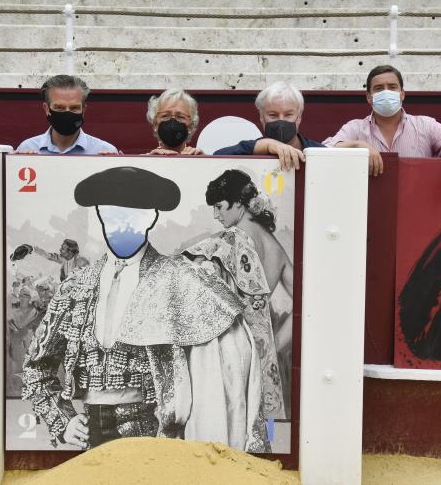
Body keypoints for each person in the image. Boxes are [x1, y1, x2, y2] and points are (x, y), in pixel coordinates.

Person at [22, 166, 269, 452]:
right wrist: (63, 421)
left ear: (150, 217)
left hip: (156, 434)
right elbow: (36, 368)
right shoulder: (76, 286)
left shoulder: (181, 278)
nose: (122, 226)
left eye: (132, 217)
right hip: (91, 433)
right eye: (114, 217)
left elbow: (225, 362)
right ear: (100, 215)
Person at [183, 170, 294, 420]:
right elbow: (307, 305)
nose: (216, 214)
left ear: (239, 204)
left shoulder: (227, 241)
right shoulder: (275, 247)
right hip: (266, 360)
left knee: (230, 427)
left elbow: (182, 276)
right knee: (266, 433)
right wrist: (273, 343)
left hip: (234, 354)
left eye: (220, 206)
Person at [324, 65, 441, 196]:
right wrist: (357, 145)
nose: (386, 92)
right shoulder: (355, 128)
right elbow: (325, 149)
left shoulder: (425, 125)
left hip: (417, 206)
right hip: (367, 208)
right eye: (379, 88)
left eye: (392, 87)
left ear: (402, 94)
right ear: (369, 97)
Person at [214, 81, 324, 170]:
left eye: (288, 114)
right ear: (262, 118)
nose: (281, 121)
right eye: (273, 115)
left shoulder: (320, 153)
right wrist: (264, 146)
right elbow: (215, 159)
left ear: (299, 117)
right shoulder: (253, 150)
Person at [17, 74, 117, 155]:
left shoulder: (104, 151)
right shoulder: (27, 149)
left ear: (84, 110)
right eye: (59, 108)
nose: (67, 113)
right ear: (46, 109)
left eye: (74, 108)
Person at [144, 89, 205, 155]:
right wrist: (151, 160)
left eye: (180, 117)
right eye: (165, 116)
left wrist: (203, 160)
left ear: (191, 126)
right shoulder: (140, 161)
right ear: (155, 124)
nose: (172, 122)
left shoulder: (198, 159)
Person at [10, 238, 90, 281]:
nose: (59, 250)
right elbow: (48, 255)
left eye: (62, 249)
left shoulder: (81, 262)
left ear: (69, 252)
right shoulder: (63, 258)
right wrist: (31, 248)